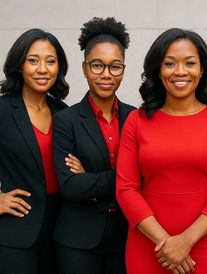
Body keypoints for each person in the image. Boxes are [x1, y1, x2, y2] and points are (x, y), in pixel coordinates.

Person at [116, 28, 207, 274]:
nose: (180, 71)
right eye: (170, 63)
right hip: (149, 246)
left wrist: (184, 242)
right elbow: (126, 188)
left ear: (202, 69)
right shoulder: (136, 120)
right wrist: (166, 244)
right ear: (158, 70)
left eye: (190, 63)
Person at [52, 17, 135, 274]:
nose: (106, 75)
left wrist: (91, 181)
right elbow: (71, 187)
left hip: (127, 236)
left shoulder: (137, 118)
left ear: (124, 69)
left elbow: (146, 179)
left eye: (115, 66)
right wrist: (123, 179)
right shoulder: (65, 120)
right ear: (85, 67)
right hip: (77, 240)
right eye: (97, 66)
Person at [0, 28, 69, 274]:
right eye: (33, 60)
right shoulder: (3, 110)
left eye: (50, 61)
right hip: (15, 231)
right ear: (19, 65)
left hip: (61, 229)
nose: (42, 69)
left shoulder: (64, 112)